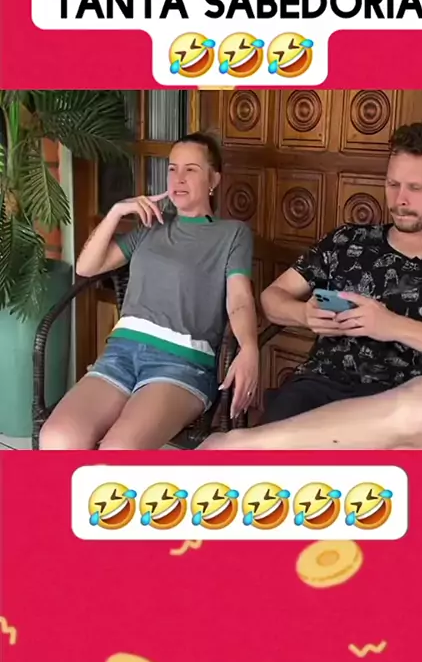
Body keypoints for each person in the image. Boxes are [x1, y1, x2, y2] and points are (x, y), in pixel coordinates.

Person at [200, 121, 422, 451]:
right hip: (319, 386)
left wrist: (391, 325)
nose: (400, 199)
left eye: (416, 188)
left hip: (397, 407)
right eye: (393, 184)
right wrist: (304, 314)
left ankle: (241, 446)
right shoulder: (348, 240)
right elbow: (272, 298)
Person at [40, 132, 259, 450]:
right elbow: (86, 267)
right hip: (120, 354)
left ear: (214, 179)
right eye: (172, 168)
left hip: (181, 363)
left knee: (118, 451)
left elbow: (239, 299)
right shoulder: (151, 226)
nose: (178, 178)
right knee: (56, 438)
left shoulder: (232, 234)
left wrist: (249, 347)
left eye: (191, 169)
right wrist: (117, 212)